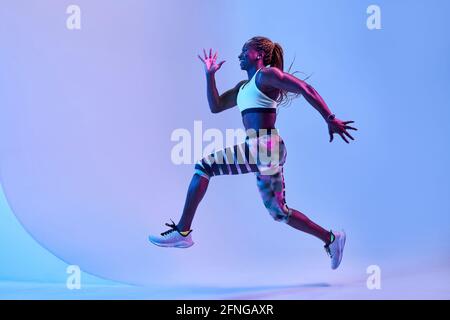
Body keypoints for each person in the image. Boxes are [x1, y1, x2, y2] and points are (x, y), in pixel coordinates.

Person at [148, 36, 357, 270]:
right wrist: (210, 75)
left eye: (244, 50)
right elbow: (215, 106)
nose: (239, 55)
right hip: (262, 150)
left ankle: (182, 231)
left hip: (265, 146)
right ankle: (332, 238)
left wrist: (329, 118)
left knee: (205, 166)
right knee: (279, 212)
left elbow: (305, 88)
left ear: (258, 54)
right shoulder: (243, 88)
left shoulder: (267, 75)